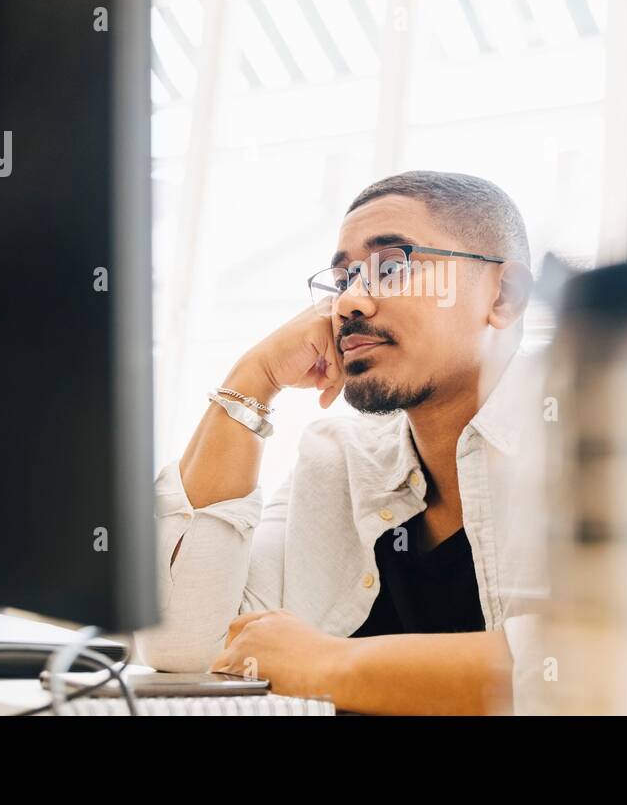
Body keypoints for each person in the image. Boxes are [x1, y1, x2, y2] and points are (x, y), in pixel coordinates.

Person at [135, 170, 549, 714]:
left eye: (393, 266)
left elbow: (604, 665)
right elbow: (182, 644)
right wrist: (252, 379)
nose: (350, 303)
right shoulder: (338, 456)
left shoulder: (598, 437)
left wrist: (326, 664)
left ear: (505, 296)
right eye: (344, 279)